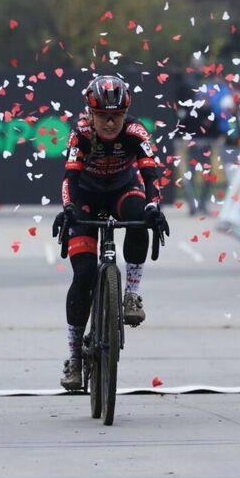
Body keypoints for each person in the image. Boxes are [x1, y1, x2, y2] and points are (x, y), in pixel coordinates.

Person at [52, 75, 168, 391]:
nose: (110, 123)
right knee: (84, 275)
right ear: (91, 114)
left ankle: (130, 294)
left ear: (125, 113)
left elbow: (150, 173)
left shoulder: (135, 132)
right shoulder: (80, 135)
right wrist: (68, 208)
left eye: (116, 116)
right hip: (86, 197)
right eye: (103, 116)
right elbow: (69, 179)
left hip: (121, 189)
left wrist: (154, 206)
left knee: (140, 213)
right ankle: (75, 360)